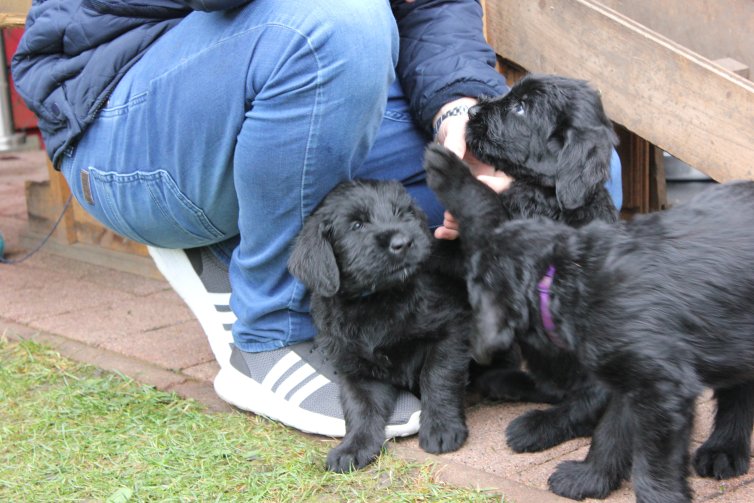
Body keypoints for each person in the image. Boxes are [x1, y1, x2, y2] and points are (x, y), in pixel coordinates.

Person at [12, 0, 622, 438]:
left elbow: (433, 7)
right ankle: (269, 326)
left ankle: (517, 350)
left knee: (568, 176)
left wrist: (455, 108)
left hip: (321, 71)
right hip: (126, 107)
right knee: (334, 22)